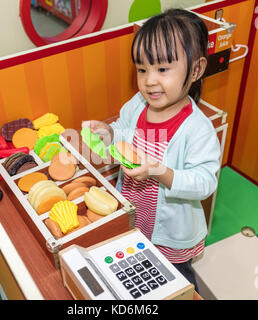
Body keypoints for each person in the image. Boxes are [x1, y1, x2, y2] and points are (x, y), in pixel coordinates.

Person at [83, 9, 221, 291]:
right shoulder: (138, 104)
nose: (149, 80)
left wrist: (159, 171)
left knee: (175, 280)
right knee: (138, 270)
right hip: (135, 213)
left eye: (162, 69)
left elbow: (205, 181)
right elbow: (123, 130)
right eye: (142, 69)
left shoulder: (197, 129)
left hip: (172, 233)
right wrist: (109, 134)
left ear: (195, 70)